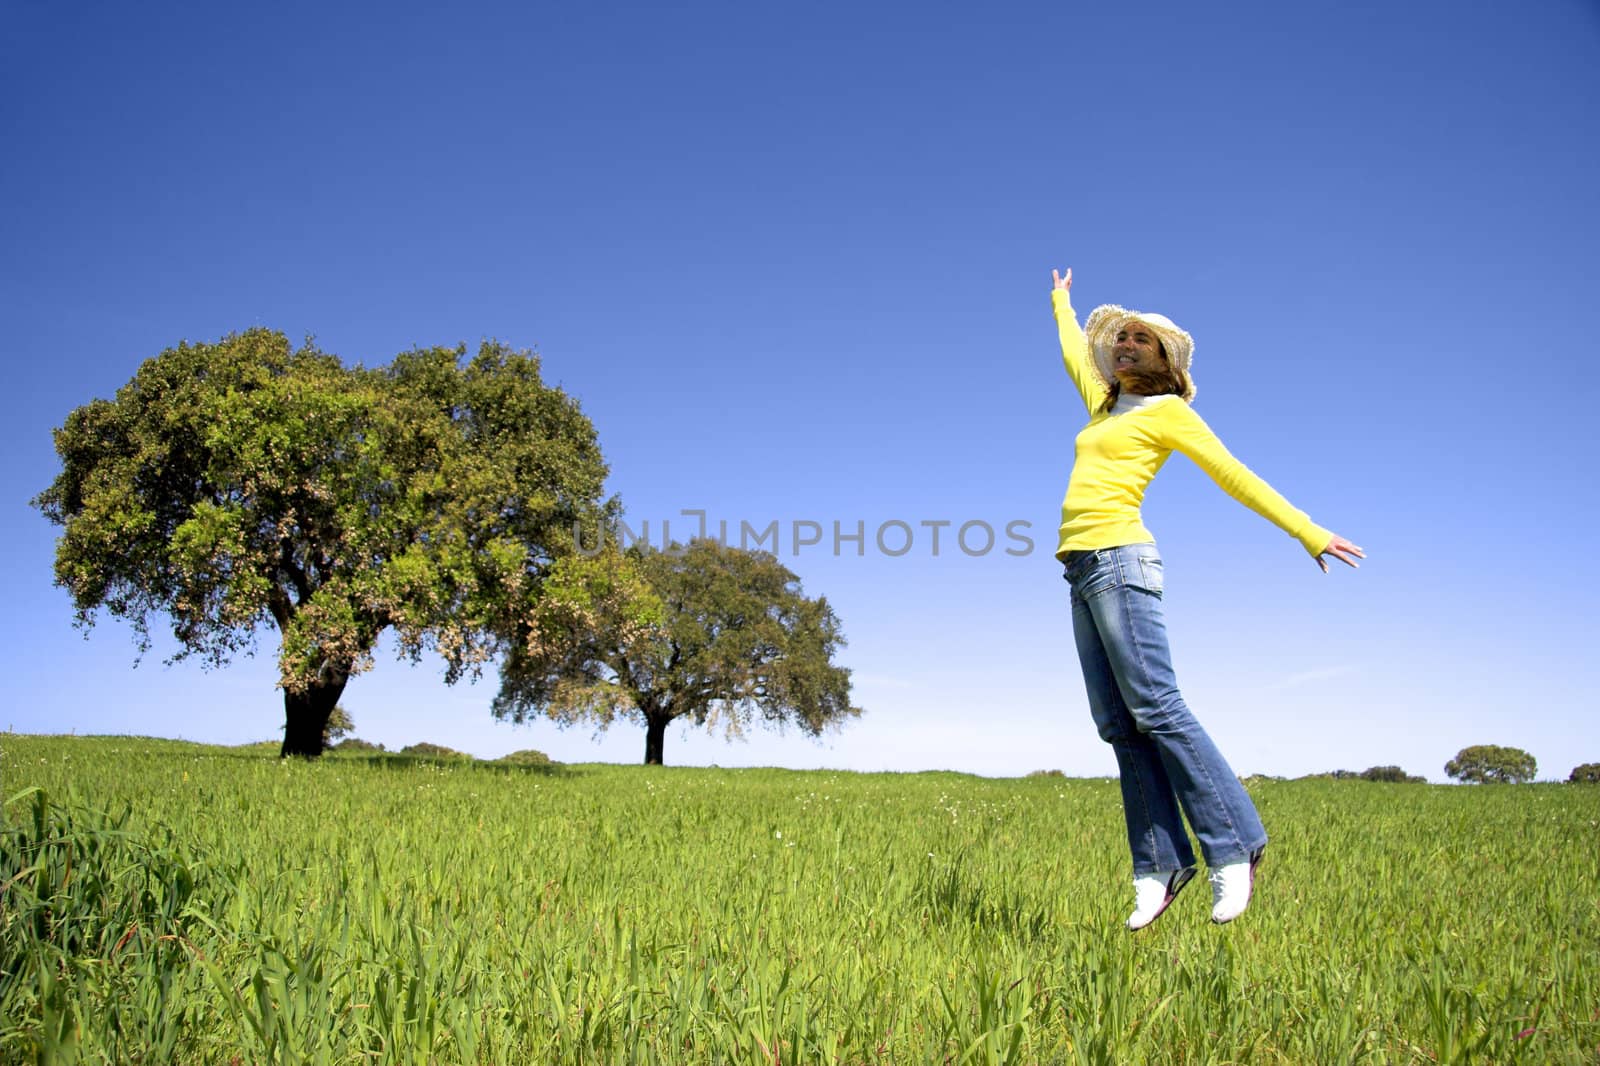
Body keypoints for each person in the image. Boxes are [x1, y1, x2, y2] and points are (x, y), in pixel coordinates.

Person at [1049, 266, 1362, 929]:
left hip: (1121, 562)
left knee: (1156, 707)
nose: (1126, 344)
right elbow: (1075, 350)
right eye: (1122, 338)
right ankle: (1160, 865)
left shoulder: (1168, 413)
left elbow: (1232, 474)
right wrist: (1062, 301)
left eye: (1141, 339)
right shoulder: (1104, 406)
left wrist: (1308, 531)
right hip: (1078, 569)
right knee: (1119, 727)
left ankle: (1234, 845)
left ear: (1163, 359)